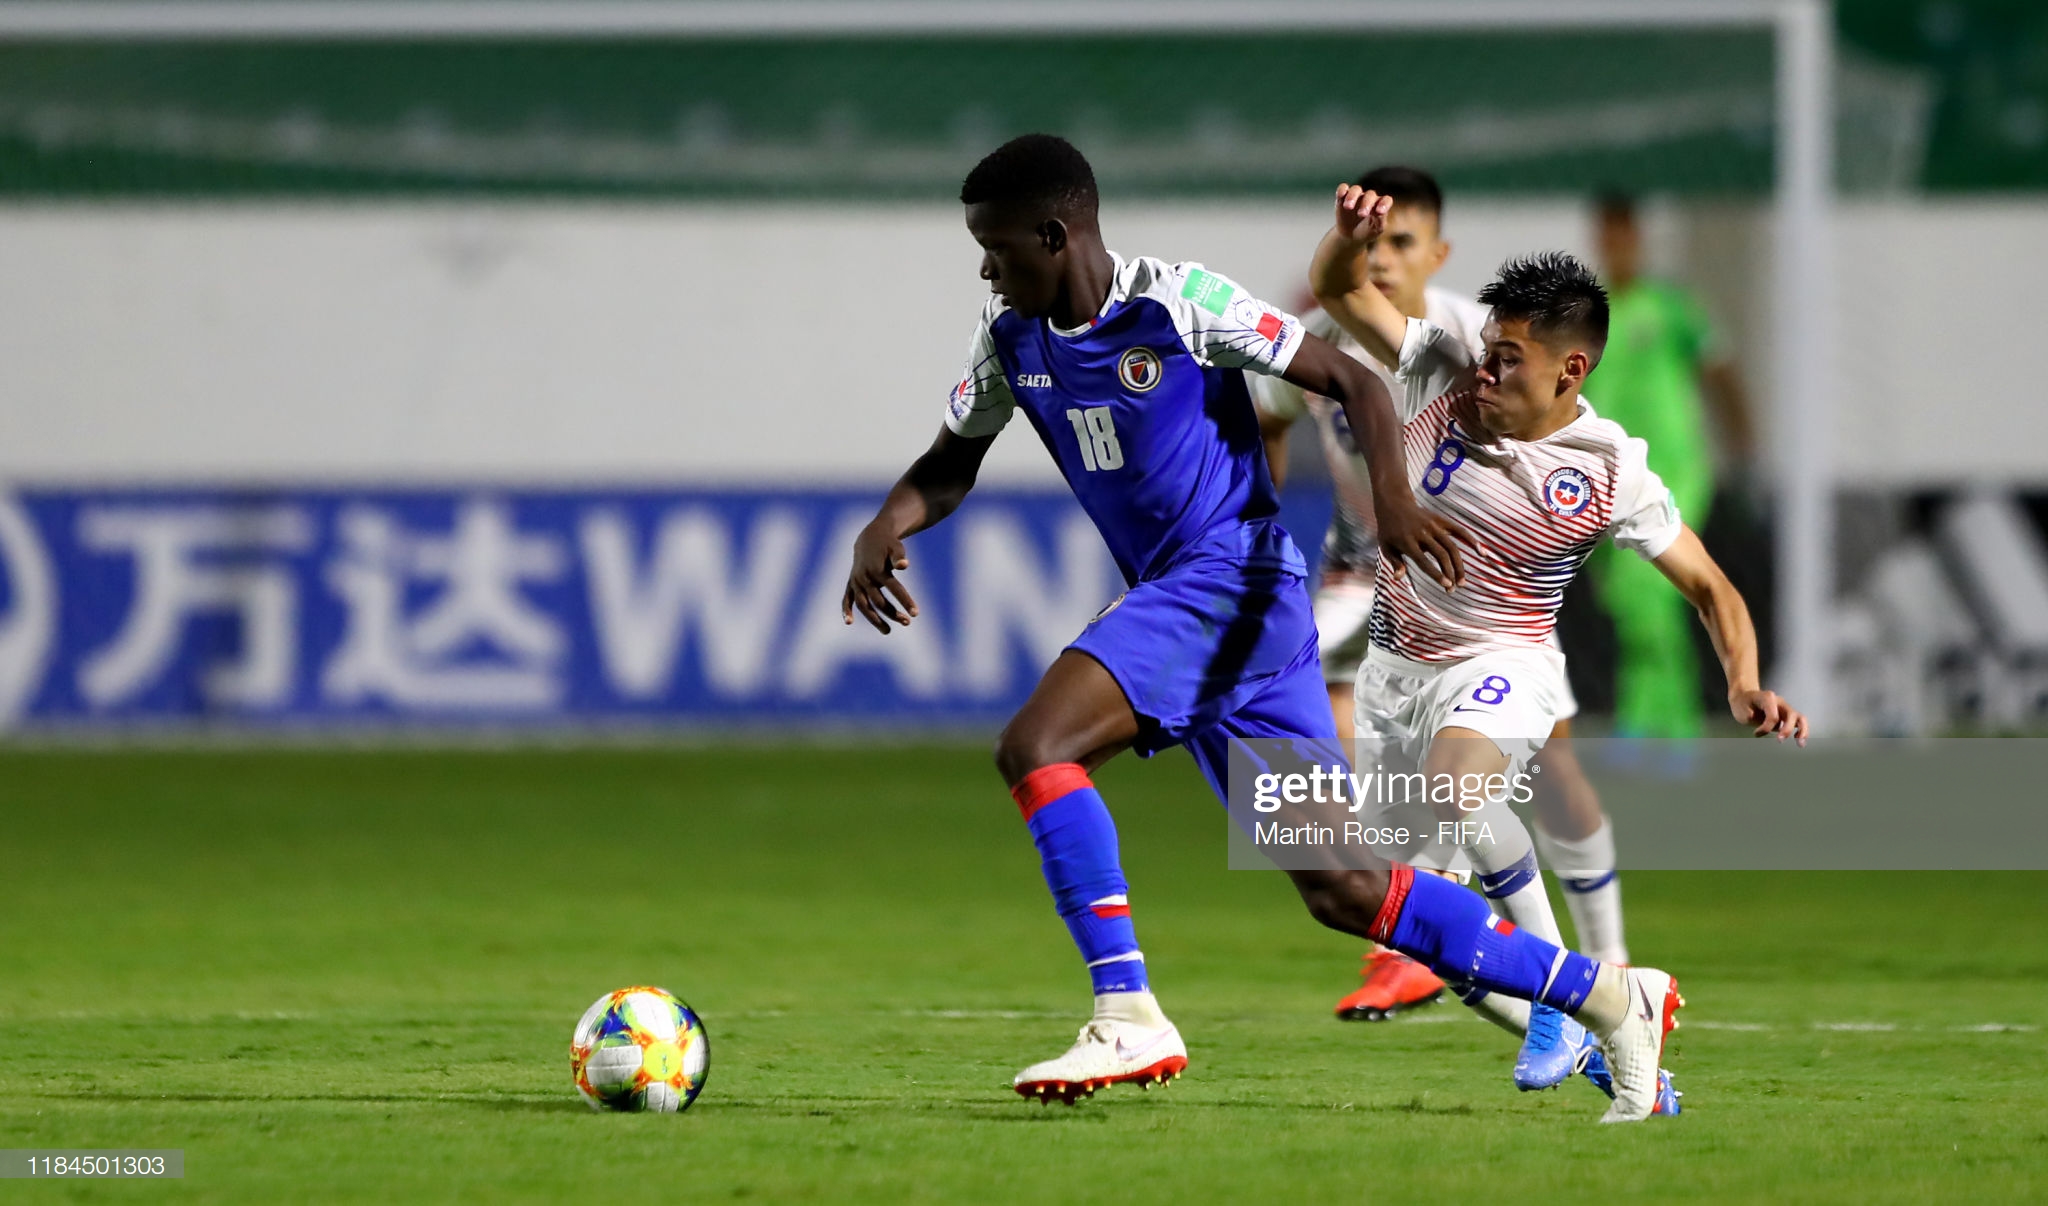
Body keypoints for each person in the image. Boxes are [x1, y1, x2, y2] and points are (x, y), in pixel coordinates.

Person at [842, 135, 1685, 1123]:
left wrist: (1396, 503)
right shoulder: (1011, 344)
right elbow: (949, 462)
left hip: (1228, 580)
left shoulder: (1182, 302)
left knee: (1036, 745)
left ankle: (1126, 1008)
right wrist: (884, 525)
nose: (986, 270)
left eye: (994, 247)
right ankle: (1606, 996)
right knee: (1346, 890)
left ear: (1053, 233)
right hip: (1215, 623)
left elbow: (1356, 384)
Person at [1307, 183, 1808, 1115]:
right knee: (1433, 935)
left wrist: (1742, 679)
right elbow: (1339, 293)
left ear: (1570, 370)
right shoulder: (1440, 369)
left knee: (1460, 789)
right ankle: (1620, 1055)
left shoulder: (1611, 465)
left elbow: (1710, 586)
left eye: (1510, 362)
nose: (1485, 374)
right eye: (1487, 353)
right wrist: (1345, 242)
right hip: (1396, 673)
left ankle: (1560, 998)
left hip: (1506, 664)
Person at [1254, 168, 1633, 1036]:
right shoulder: (1315, 339)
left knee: (1552, 777)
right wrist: (1254, 531)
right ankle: (1417, 931)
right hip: (1367, 572)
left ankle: (1601, 957)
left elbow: (1563, 437)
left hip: (1487, 584)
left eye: (1402, 242)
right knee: (1324, 729)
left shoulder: (1478, 345)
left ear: (1439, 253)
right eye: (1371, 240)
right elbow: (1265, 414)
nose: (1382, 258)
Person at [1585, 195, 1756, 743]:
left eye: (1624, 235)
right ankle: (1665, 725)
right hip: (1606, 474)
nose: (1616, 246)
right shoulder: (1586, 316)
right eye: (1607, 236)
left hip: (1673, 470)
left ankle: (1659, 725)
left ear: (1638, 238)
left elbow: (1721, 370)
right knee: (1630, 601)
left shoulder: (1673, 306)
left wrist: (1742, 439)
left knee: (1652, 592)